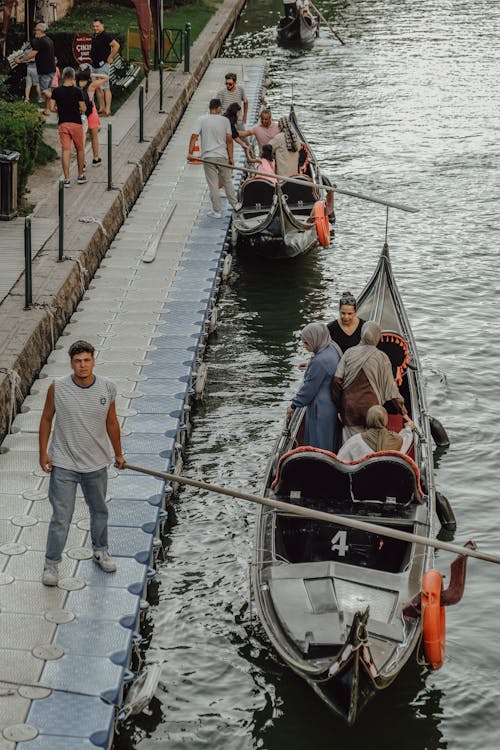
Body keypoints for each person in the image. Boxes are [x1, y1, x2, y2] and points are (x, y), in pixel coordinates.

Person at [39, 340, 126, 587]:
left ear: (94, 361)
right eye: (78, 361)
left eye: (87, 360)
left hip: (96, 464)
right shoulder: (58, 388)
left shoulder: (108, 388)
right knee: (61, 517)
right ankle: (51, 564)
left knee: (99, 511)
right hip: (64, 464)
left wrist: (119, 454)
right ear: (71, 363)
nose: (83, 365)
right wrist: (43, 453)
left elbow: (112, 423)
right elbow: (46, 419)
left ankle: (101, 551)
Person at [332, 320, 407, 442]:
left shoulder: (349, 353)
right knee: (372, 444)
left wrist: (338, 404)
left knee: (350, 444)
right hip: (372, 410)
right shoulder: (382, 357)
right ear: (378, 337)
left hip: (350, 408)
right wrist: (404, 412)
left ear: (362, 334)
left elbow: (337, 380)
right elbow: (392, 391)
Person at [287, 322, 342, 451]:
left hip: (321, 409)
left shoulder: (319, 361)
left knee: (319, 444)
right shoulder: (332, 347)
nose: (304, 346)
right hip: (332, 405)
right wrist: (309, 365)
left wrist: (293, 405)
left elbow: (308, 390)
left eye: (307, 343)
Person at [187, 97, 240, 219]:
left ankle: (217, 211)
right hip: (222, 156)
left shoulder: (201, 119)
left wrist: (190, 153)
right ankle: (235, 204)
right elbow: (229, 141)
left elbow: (194, 136)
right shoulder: (225, 121)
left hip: (208, 157)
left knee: (213, 184)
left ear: (210, 108)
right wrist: (231, 157)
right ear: (218, 108)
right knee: (227, 181)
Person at [49, 66, 86, 187]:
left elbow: (51, 108)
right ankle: (80, 176)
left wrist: (59, 109)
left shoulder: (56, 91)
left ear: (63, 77)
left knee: (66, 150)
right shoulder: (77, 91)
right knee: (80, 149)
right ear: (73, 77)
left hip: (63, 124)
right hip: (76, 123)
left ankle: (66, 179)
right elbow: (84, 108)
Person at [338, 405, 415, 461]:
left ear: (368, 420)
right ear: (385, 420)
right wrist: (408, 428)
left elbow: (341, 461)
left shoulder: (355, 441)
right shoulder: (398, 441)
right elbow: (406, 438)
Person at [17, 23, 55, 115]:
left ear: (40, 31)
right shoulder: (49, 40)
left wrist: (21, 60)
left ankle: (62, 103)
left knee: (44, 90)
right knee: (48, 89)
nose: (35, 31)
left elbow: (32, 54)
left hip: (44, 70)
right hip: (52, 69)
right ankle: (47, 110)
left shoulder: (40, 41)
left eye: (36, 30)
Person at [76, 65, 109, 166]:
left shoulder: (75, 83)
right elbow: (106, 78)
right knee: (94, 136)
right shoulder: (92, 85)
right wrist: (93, 74)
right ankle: (95, 158)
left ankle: (82, 161)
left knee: (82, 136)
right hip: (92, 111)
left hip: (80, 112)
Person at [90, 17, 120, 117]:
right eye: (94, 26)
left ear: (102, 26)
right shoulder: (95, 35)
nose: (95, 28)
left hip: (103, 65)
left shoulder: (105, 35)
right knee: (98, 88)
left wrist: (110, 57)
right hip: (94, 65)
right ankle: (101, 107)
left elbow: (116, 46)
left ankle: (107, 109)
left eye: (97, 26)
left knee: (105, 87)